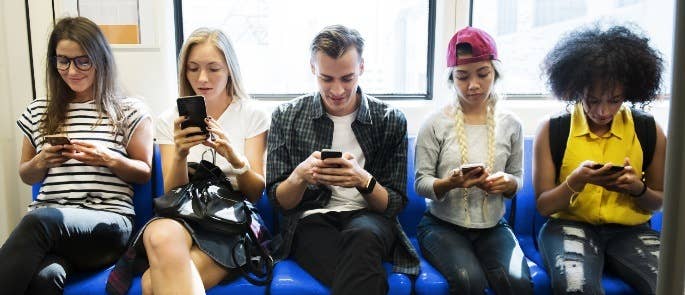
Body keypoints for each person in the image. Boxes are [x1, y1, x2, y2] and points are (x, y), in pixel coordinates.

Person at [0, 16, 153, 294]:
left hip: (107, 224)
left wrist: (109, 158)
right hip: (53, 230)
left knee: (39, 221)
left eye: (83, 61)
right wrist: (40, 161)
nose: (72, 70)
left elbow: (144, 172)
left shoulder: (129, 110)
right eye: (63, 60)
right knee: (47, 277)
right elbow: (26, 174)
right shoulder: (39, 110)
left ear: (101, 60)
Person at [266, 25, 419, 294]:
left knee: (363, 236)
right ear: (313, 69)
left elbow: (393, 205)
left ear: (362, 67)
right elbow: (280, 202)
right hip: (311, 220)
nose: (337, 90)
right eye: (327, 78)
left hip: (369, 219)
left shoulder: (390, 120)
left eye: (347, 78)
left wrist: (363, 180)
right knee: (360, 268)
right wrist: (300, 175)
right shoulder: (286, 116)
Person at [129, 28, 269, 294]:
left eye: (213, 69)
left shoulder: (252, 115)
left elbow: (254, 193)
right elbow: (172, 194)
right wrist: (180, 153)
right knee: (159, 232)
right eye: (193, 69)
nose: (202, 78)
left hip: (229, 220)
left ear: (230, 69)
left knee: (151, 284)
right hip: (185, 216)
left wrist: (233, 157)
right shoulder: (169, 119)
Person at [534, 24, 666, 295]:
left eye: (614, 100)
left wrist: (637, 189)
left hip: (631, 231)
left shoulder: (649, 130)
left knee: (670, 281)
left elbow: (659, 201)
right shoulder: (553, 129)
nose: (603, 111)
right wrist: (576, 181)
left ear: (628, 93)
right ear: (575, 90)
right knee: (576, 287)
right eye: (592, 100)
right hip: (567, 225)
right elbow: (544, 207)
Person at [414, 26, 532, 294]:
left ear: (496, 73)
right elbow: (421, 183)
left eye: (483, 74)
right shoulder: (434, 124)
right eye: (462, 76)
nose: (474, 85)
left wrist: (507, 182)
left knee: (519, 284)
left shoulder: (511, 124)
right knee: (468, 281)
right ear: (451, 78)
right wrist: (450, 183)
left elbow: (518, 180)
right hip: (441, 226)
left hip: (494, 226)